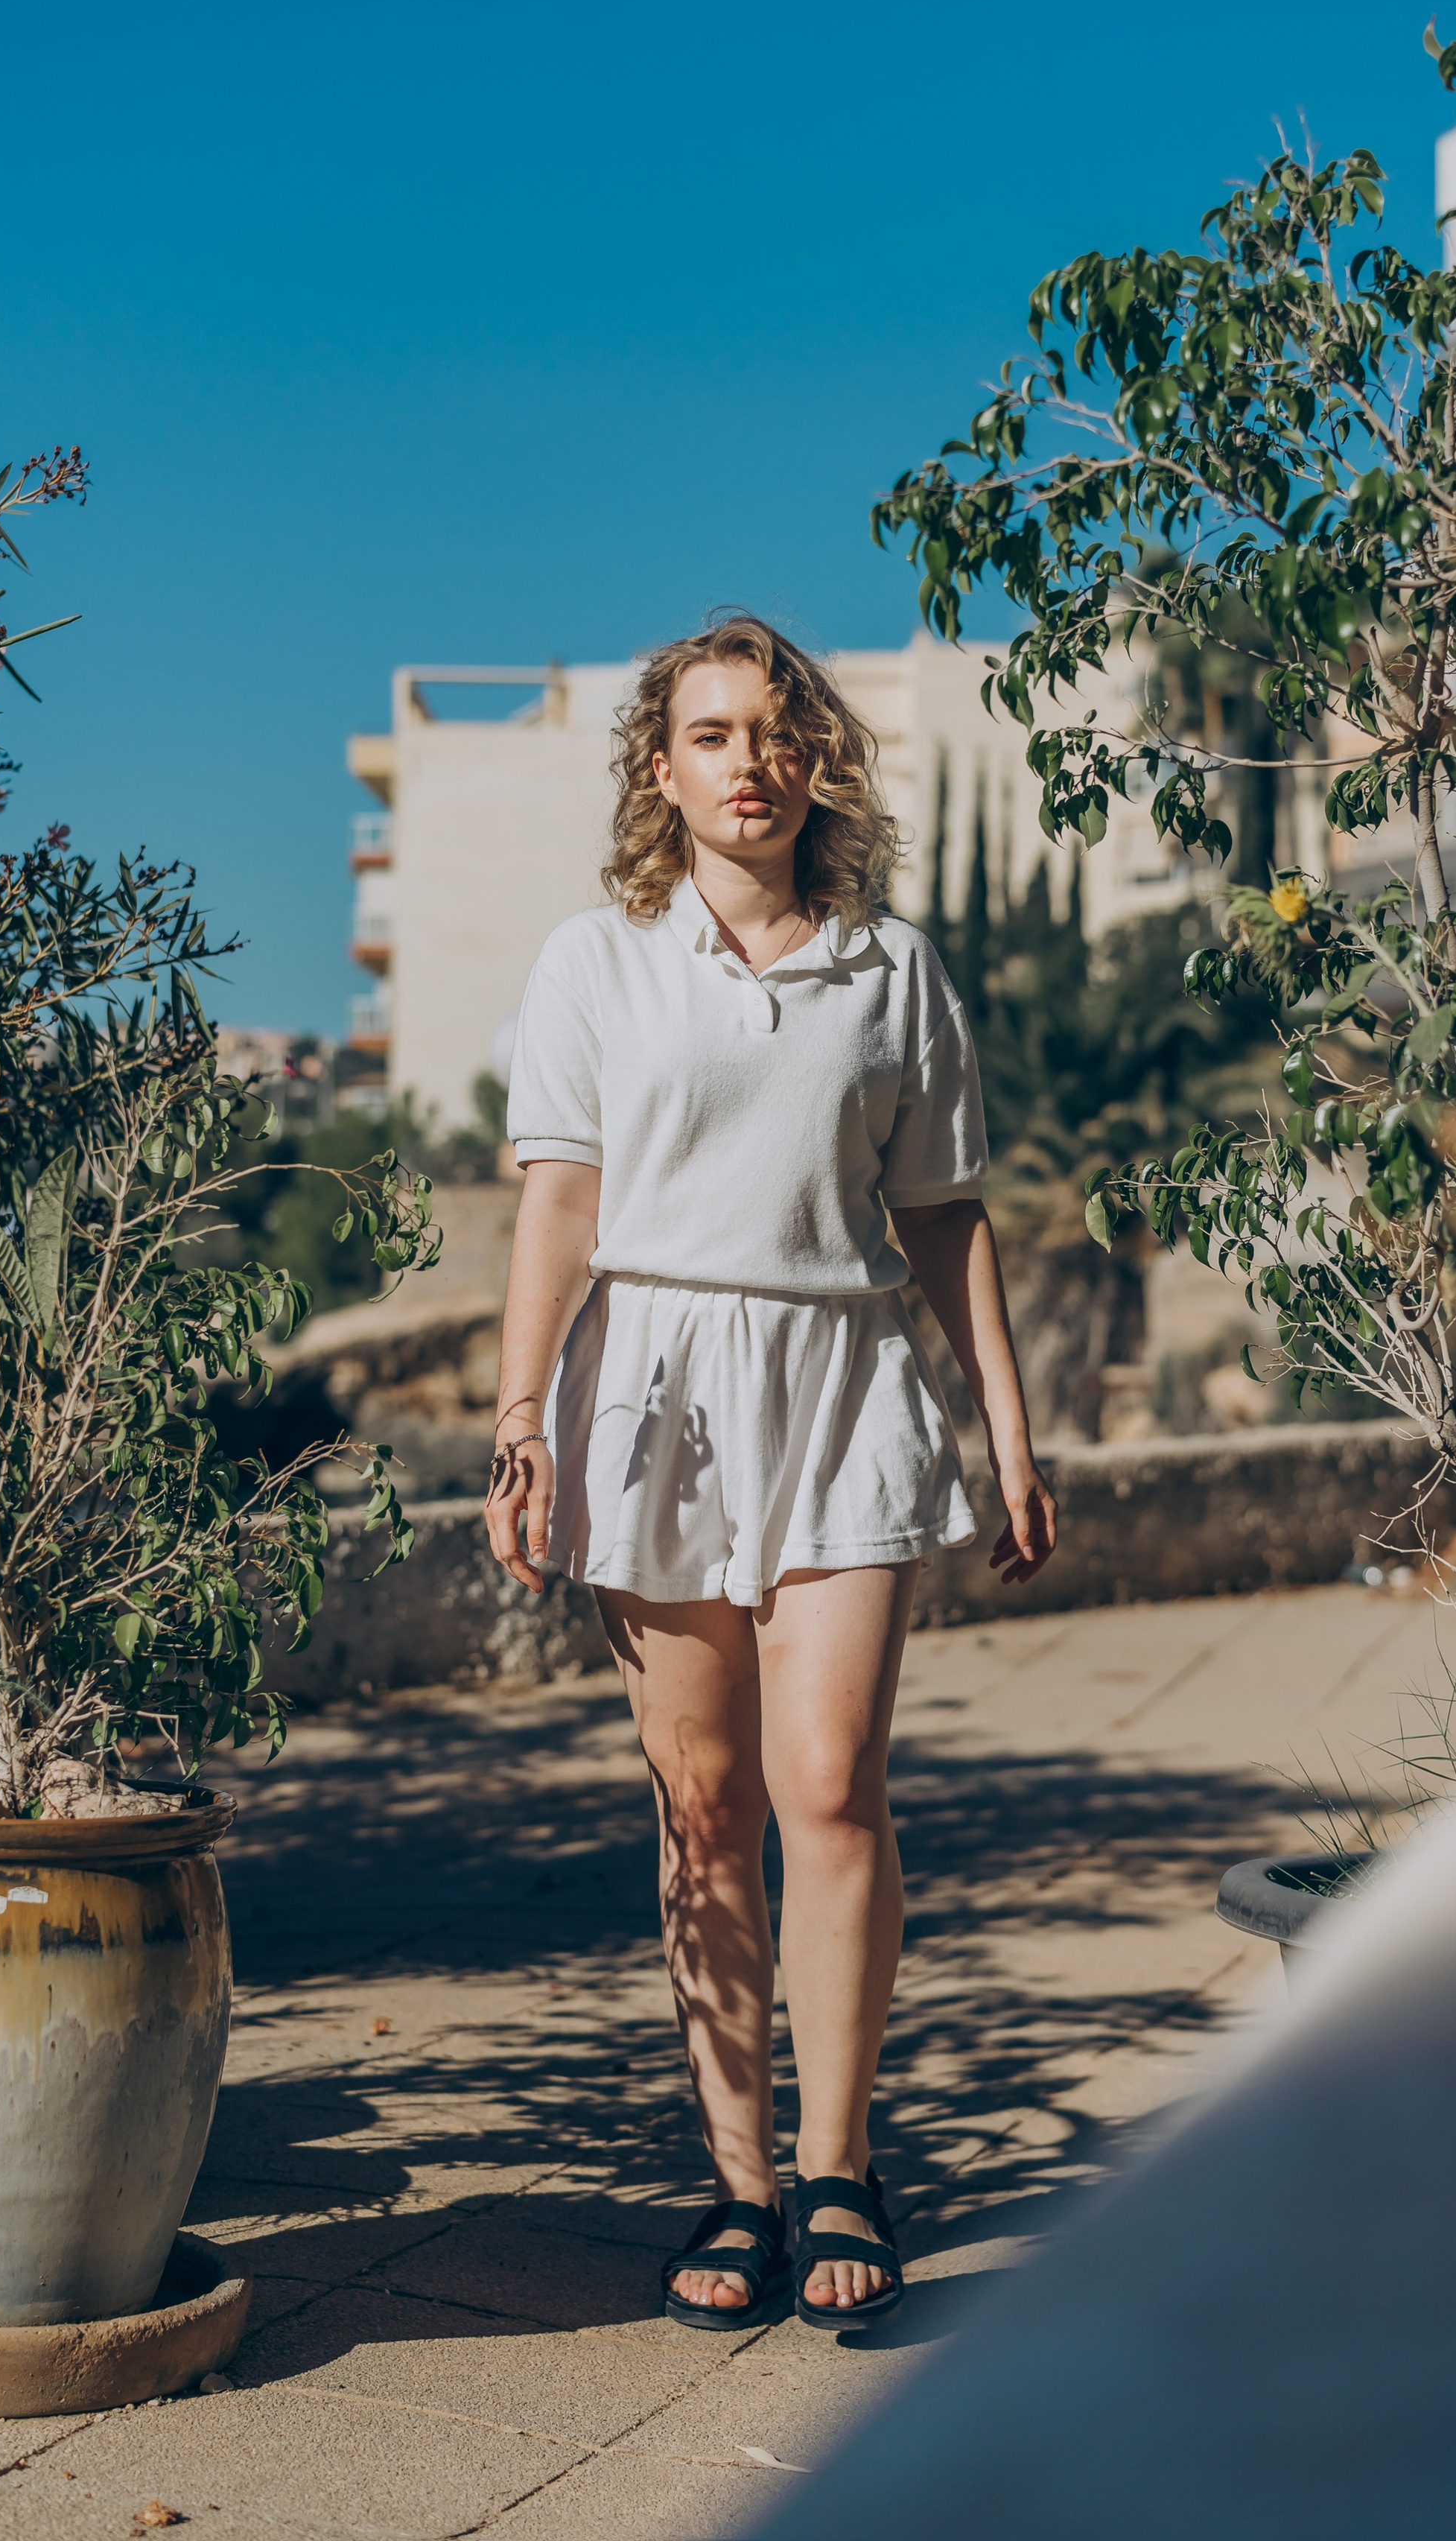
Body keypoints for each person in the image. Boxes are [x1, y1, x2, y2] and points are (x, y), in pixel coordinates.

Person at [484, 612, 1055, 2330]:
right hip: (649, 1388)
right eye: (714, 735)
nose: (751, 761)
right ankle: (734, 2185)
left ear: (814, 761)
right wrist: (519, 1421)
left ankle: (835, 2169)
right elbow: (559, 1208)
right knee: (705, 1805)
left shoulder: (892, 972)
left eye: (776, 732)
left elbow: (944, 1215)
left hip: (844, 1378)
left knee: (827, 1786)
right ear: (661, 772)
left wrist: (1005, 1430)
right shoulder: (596, 962)